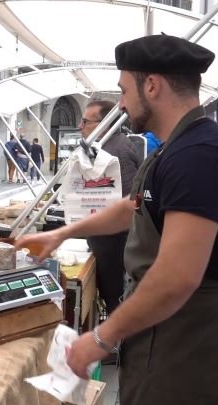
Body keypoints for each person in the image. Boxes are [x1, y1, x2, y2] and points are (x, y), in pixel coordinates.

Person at [16, 35, 218, 405]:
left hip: (187, 333)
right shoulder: (172, 150)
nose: (122, 104)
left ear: (152, 86)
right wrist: (61, 233)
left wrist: (101, 338)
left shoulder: (200, 155)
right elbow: (131, 207)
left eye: (124, 90)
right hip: (162, 327)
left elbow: (176, 276)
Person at [80, 100, 143, 315]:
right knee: (109, 292)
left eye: (86, 121)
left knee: (114, 294)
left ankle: (115, 342)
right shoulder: (105, 146)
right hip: (105, 235)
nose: (81, 126)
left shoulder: (116, 151)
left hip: (114, 240)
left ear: (104, 124)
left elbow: (124, 202)